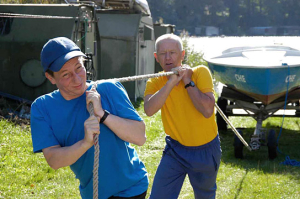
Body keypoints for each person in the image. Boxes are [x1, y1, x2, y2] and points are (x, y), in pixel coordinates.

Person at [30, 37, 148, 199]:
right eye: (66, 75)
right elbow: (54, 160)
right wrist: (85, 143)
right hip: (93, 193)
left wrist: (103, 115)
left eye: (79, 68)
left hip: (131, 189)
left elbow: (140, 137)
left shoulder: (108, 89)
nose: (77, 79)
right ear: (51, 78)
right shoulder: (42, 108)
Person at [144, 34, 221, 199]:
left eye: (172, 52)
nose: (168, 57)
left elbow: (207, 111)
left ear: (182, 54)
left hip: (205, 150)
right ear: (156, 57)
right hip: (175, 150)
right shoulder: (155, 81)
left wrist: (187, 81)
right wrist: (171, 82)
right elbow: (149, 110)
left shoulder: (200, 72)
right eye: (163, 53)